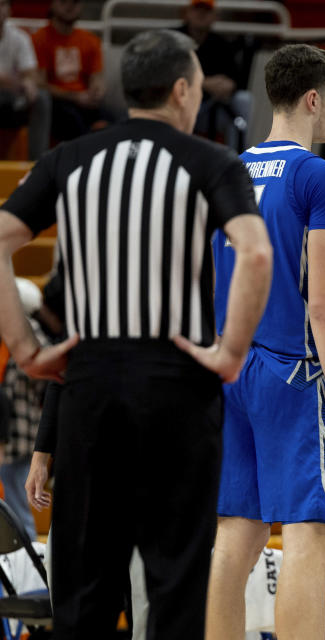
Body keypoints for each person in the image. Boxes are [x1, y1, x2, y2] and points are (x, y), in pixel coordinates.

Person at [0, 28, 272, 639]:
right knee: (175, 578)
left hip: (89, 383)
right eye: (199, 86)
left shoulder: (68, 158)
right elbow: (255, 256)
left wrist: (26, 351)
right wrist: (229, 352)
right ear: (181, 89)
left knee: (85, 579)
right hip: (178, 382)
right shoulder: (210, 160)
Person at [205, 44, 325, 640]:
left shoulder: (226, 168)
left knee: (235, 535)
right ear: (312, 99)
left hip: (231, 364)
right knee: (312, 538)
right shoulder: (320, 176)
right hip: (292, 373)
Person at [0, 278, 47, 541]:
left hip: (20, 433)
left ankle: (30, 567)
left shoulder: (30, 331)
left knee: (17, 502)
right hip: (3, 430)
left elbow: (47, 381)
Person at [31, 0, 110, 142]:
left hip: (85, 101)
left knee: (115, 120)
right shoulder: (39, 39)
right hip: (56, 103)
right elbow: (40, 84)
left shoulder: (91, 40)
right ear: (52, 4)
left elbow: (97, 77)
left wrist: (97, 91)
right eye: (64, 2)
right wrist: (75, 96)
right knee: (71, 119)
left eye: (75, 2)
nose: (69, 6)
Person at [177, 0, 251, 151]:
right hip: (179, 107)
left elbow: (236, 79)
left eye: (206, 11)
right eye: (197, 9)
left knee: (243, 100)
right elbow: (165, 74)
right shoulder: (173, 39)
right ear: (186, 13)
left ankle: (237, 160)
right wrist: (203, 83)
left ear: (215, 16)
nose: (201, 14)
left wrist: (229, 85)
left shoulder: (221, 43)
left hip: (210, 108)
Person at [0, 0, 50, 160]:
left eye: (2, 4)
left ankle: (36, 164)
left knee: (41, 98)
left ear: (9, 10)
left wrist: (29, 83)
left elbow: (30, 73)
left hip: (12, 96)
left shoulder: (19, 37)